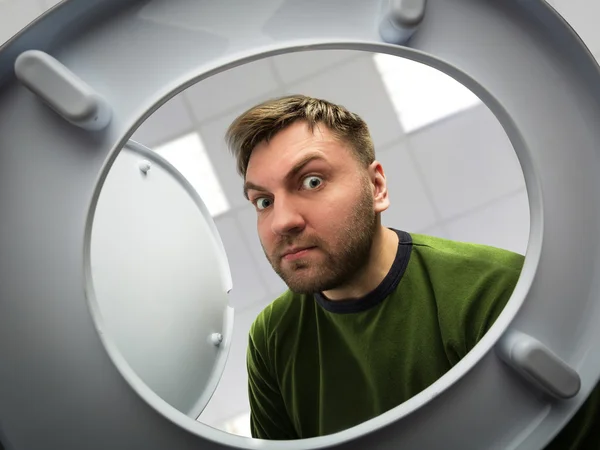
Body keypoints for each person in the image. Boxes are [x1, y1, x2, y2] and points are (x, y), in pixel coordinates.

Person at [225, 94, 600, 447]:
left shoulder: (493, 289)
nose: (282, 222)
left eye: (312, 181)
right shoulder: (272, 338)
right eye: (263, 201)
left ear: (376, 187)